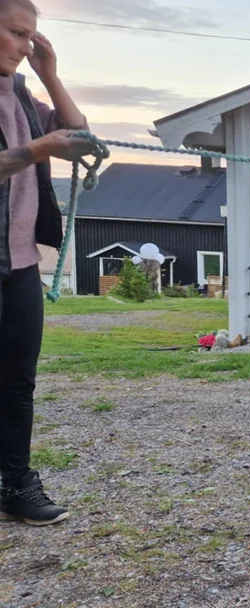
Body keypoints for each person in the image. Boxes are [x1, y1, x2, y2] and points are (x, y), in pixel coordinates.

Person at [0, 0, 94, 526]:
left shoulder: (19, 93)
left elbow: (79, 137)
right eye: (17, 33)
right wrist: (37, 149)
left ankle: (15, 486)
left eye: (32, 37)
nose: (25, 45)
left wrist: (50, 76)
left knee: (18, 383)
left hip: (18, 263)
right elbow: (42, 149)